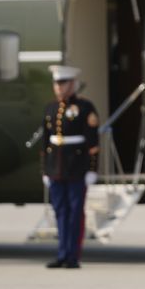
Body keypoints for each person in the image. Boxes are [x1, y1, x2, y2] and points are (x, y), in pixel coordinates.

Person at [40, 65, 100, 269]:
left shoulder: (85, 108)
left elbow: (93, 143)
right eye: (56, 84)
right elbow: (46, 143)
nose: (59, 88)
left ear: (73, 84)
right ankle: (62, 253)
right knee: (60, 211)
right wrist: (45, 170)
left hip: (76, 167)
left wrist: (92, 169)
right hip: (56, 167)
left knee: (75, 212)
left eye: (63, 83)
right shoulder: (50, 108)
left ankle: (73, 256)